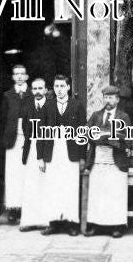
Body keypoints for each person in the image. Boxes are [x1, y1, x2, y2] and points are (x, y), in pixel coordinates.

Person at [84, 85, 132, 238]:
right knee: (98, 193)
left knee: (115, 193)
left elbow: (127, 138)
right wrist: (103, 136)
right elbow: (87, 133)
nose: (108, 101)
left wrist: (106, 137)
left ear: (117, 100)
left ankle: (116, 226)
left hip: (116, 161)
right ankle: (96, 226)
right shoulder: (96, 115)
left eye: (111, 98)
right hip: (97, 160)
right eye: (106, 97)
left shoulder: (123, 117)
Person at [42, 74, 85, 236]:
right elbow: (41, 133)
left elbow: (82, 134)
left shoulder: (77, 105)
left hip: (71, 151)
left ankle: (71, 223)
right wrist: (41, 157)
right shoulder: (48, 106)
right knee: (53, 186)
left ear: (68, 87)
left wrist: (81, 158)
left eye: (62, 86)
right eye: (56, 86)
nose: (59, 90)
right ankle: (54, 223)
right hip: (52, 151)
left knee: (70, 186)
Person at [19, 78, 54, 232]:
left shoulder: (51, 107)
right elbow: (25, 128)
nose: (38, 92)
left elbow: (51, 132)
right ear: (31, 91)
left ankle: (46, 221)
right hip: (31, 148)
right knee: (31, 185)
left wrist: (44, 157)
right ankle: (30, 220)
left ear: (46, 90)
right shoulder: (27, 106)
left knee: (46, 185)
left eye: (40, 88)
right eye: (35, 89)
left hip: (46, 150)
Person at [0, 64, 31, 224]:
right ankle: (13, 209)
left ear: (26, 77)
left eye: (22, 74)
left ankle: (26, 208)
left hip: (28, 138)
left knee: (27, 173)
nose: (19, 76)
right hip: (12, 139)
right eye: (16, 74)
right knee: (13, 174)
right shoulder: (7, 95)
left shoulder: (32, 94)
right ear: (13, 77)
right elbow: (3, 119)